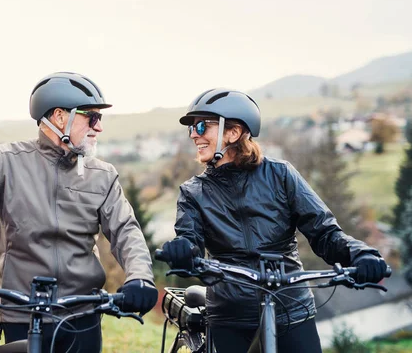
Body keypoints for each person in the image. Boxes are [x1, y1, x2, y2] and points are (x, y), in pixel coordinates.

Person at [0, 72, 157, 352]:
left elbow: (126, 232)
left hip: (82, 316)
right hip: (21, 313)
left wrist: (140, 277)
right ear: (59, 117)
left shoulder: (102, 176)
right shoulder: (4, 162)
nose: (99, 127)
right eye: (91, 117)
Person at [160, 88, 389, 353]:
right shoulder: (193, 192)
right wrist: (183, 251)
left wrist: (360, 255)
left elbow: (324, 232)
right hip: (230, 316)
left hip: (291, 309)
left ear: (233, 133)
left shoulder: (281, 175)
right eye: (191, 128)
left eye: (202, 126)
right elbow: (191, 241)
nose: (194, 134)